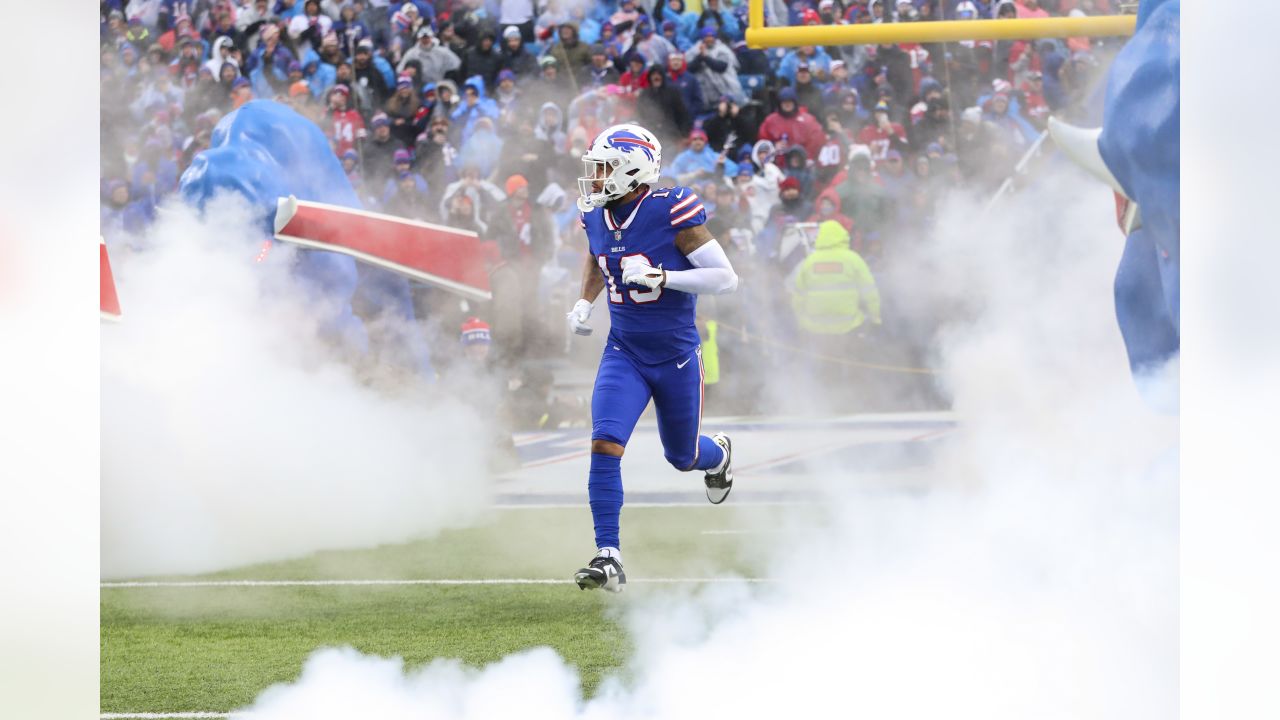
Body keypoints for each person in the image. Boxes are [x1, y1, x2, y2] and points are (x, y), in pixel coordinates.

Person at [564, 123, 739, 592]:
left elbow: (725, 278)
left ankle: (717, 454)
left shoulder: (670, 209)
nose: (595, 178)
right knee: (605, 442)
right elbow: (598, 257)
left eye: (604, 168)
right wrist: (585, 300)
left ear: (631, 170)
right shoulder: (595, 215)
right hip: (624, 350)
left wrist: (665, 278)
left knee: (681, 456)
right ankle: (608, 556)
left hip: (676, 355)